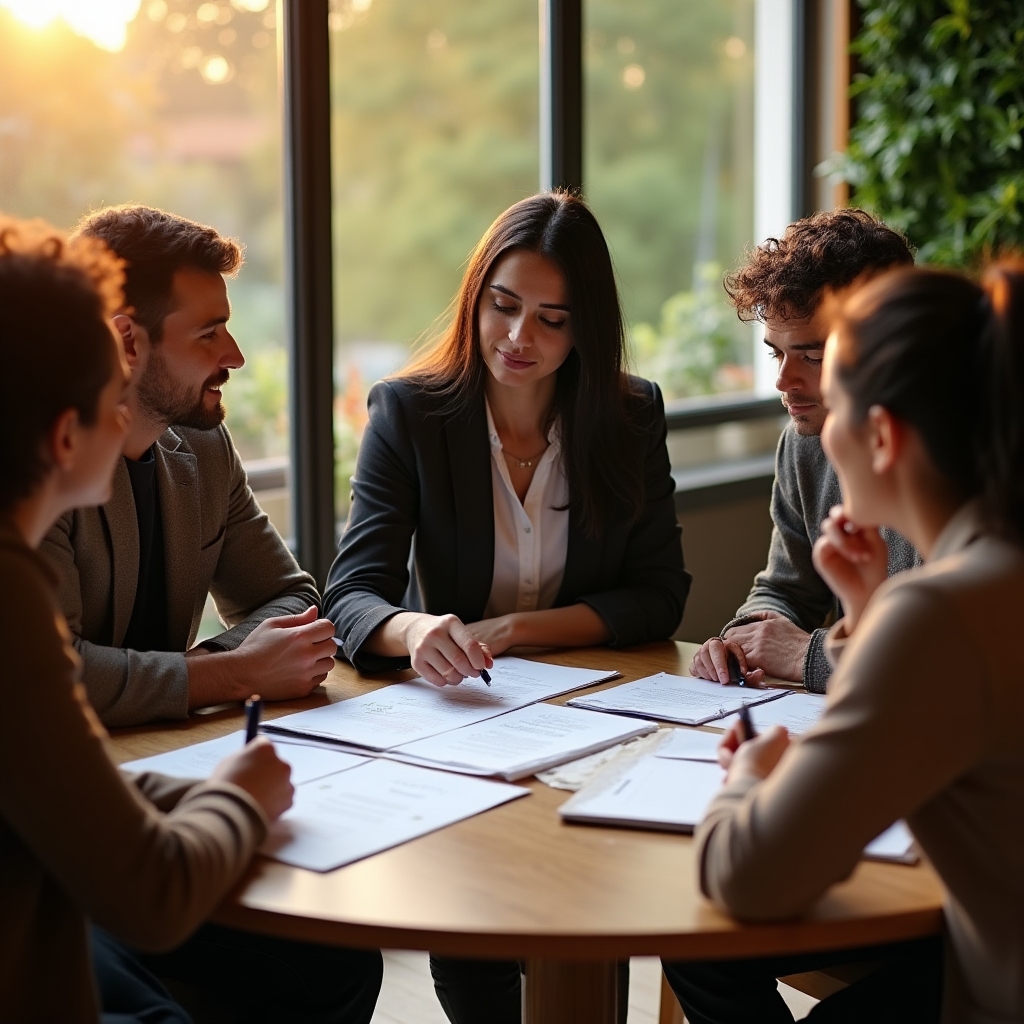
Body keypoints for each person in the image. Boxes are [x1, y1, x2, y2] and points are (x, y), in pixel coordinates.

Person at [0, 215, 382, 1022]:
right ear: (72, 430)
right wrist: (237, 780)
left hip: (90, 826)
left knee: (327, 964)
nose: (123, 425)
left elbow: (289, 592)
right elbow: (149, 889)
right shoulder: (12, 587)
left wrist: (189, 780)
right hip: (61, 898)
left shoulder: (188, 455)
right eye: (109, 399)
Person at [324, 191, 691, 1023]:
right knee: (475, 925)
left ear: (585, 331)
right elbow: (351, 593)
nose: (519, 338)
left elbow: (658, 595)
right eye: (503, 306)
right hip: (466, 719)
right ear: (476, 298)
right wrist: (417, 630)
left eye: (552, 320)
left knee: (601, 900)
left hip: (602, 716)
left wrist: (518, 629)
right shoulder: (409, 413)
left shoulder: (631, 415)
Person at [665, 261, 1024, 1023]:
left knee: (705, 934)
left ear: (882, 436)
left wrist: (750, 776)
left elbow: (745, 875)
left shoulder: (938, 614)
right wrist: (866, 611)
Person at [41, 205, 336, 727]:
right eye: (209, 333)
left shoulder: (204, 447)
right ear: (127, 341)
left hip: (171, 748)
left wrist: (204, 667)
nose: (236, 355)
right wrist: (234, 675)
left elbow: (288, 596)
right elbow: (47, 674)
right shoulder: (35, 463)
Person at [689, 210, 918, 691]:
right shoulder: (806, 442)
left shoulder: (970, 461)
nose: (783, 382)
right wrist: (745, 640)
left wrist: (808, 655)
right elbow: (786, 587)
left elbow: (952, 662)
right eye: (777, 352)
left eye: (813, 356)